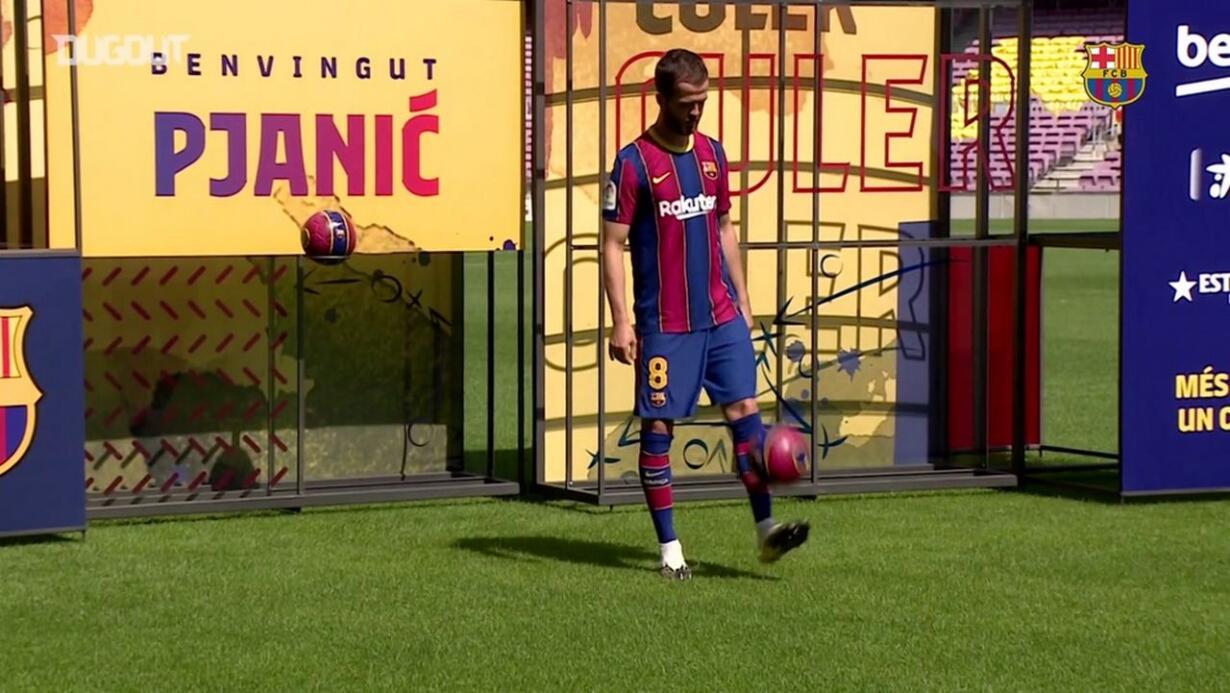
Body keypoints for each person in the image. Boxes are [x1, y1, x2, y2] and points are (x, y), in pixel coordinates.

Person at [600, 48, 810, 580]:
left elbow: (723, 228)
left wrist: (743, 299)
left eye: (702, 101)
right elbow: (612, 244)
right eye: (686, 103)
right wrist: (621, 320)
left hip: (721, 317)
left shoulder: (713, 154)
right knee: (658, 428)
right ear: (661, 98)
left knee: (745, 414)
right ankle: (670, 550)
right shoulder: (633, 163)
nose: (696, 111)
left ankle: (766, 531)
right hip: (666, 325)